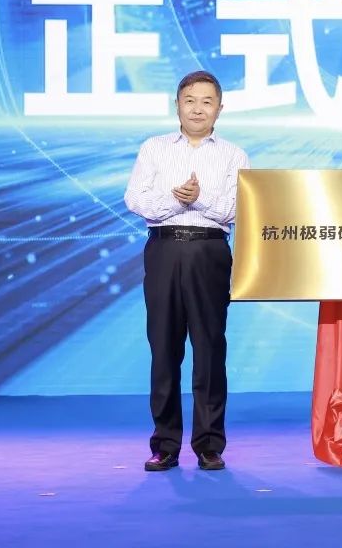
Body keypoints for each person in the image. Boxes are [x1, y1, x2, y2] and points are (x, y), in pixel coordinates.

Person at [124, 71, 249, 472]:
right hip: (163, 249)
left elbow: (235, 209)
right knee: (164, 349)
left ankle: (209, 445)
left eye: (207, 102)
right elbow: (135, 199)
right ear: (176, 105)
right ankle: (165, 445)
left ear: (220, 109)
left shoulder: (233, 155)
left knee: (210, 349)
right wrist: (177, 200)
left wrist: (200, 197)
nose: (198, 109)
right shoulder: (155, 148)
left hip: (209, 252)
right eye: (190, 100)